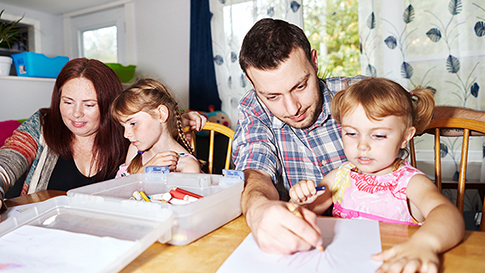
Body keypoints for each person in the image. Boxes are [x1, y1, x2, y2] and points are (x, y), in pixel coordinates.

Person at [232, 18, 474, 256]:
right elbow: (256, 174)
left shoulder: (354, 94)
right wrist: (261, 209)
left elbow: (417, 113)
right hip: (311, 248)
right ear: (252, 84)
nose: (292, 107)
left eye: (300, 86)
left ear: (314, 62)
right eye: (272, 96)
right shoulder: (254, 110)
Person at [289, 77, 464, 273]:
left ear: (406, 137)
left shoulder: (411, 183)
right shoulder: (338, 177)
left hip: (396, 265)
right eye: (351, 134)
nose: (362, 145)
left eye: (378, 135)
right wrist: (301, 201)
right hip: (345, 263)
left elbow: (450, 216)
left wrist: (424, 244)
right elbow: (307, 212)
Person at [0, 58, 206, 217]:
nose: (76, 113)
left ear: (109, 106)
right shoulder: (43, 123)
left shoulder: (127, 133)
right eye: (68, 102)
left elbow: (153, 123)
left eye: (89, 105)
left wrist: (181, 119)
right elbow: (10, 157)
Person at [111, 78, 201, 177]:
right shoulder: (135, 150)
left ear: (161, 114)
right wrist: (145, 170)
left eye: (133, 123)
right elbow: (119, 189)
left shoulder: (187, 166)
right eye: (123, 126)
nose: (125, 134)